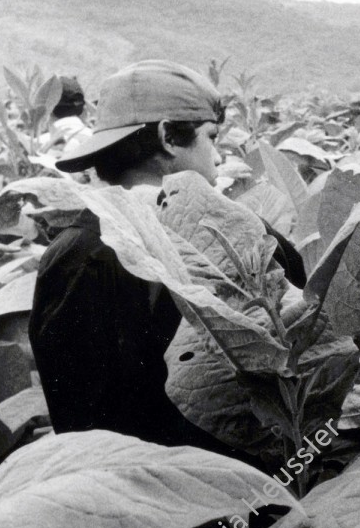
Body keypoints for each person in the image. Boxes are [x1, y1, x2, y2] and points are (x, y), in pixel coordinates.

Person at [28, 60, 304, 451]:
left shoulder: (69, 255)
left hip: (128, 495)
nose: (220, 158)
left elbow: (77, 419)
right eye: (213, 138)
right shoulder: (248, 234)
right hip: (252, 493)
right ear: (169, 137)